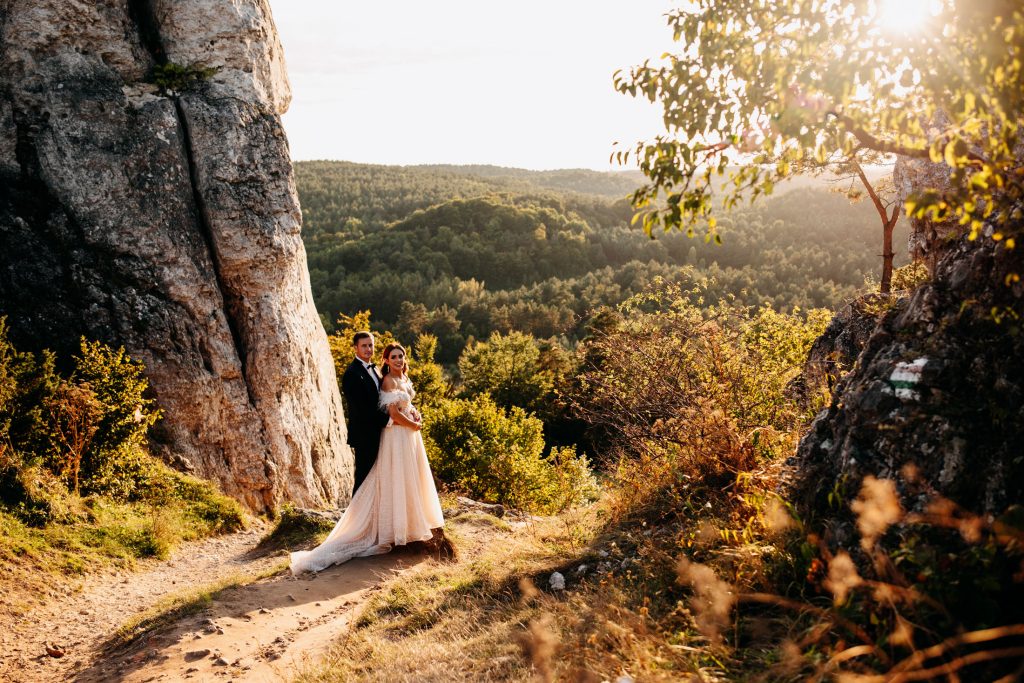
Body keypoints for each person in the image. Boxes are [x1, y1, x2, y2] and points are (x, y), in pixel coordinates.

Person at [290, 342, 445, 574]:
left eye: (401, 356)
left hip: (407, 434)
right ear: (386, 359)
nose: (398, 360)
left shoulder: (398, 376)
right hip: (396, 436)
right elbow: (391, 413)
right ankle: (379, 529)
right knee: (390, 477)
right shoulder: (383, 379)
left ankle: (409, 526)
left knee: (408, 478)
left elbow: (404, 404)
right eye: (394, 356)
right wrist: (414, 425)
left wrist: (414, 413)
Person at [340, 331, 390, 493]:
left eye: (371, 345)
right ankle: (356, 516)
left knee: (378, 476)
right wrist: (389, 420)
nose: (368, 349)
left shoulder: (376, 370)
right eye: (364, 346)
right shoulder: (351, 374)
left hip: (379, 431)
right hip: (364, 434)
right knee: (363, 477)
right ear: (356, 348)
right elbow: (361, 409)